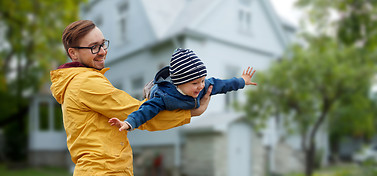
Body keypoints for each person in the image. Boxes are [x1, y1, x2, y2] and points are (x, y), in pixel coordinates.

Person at [50, 20, 212, 176]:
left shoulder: (76, 81)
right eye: (94, 47)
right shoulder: (85, 82)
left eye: (103, 44)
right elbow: (139, 113)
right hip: (104, 171)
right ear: (73, 53)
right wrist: (190, 112)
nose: (102, 51)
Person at [109, 48, 257, 131]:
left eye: (202, 80)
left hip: (181, 95)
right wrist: (129, 123)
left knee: (212, 84)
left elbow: (223, 85)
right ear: (180, 83)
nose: (200, 86)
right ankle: (150, 86)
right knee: (150, 96)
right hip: (157, 91)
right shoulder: (164, 97)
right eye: (194, 83)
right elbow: (146, 110)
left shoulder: (203, 86)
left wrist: (242, 81)